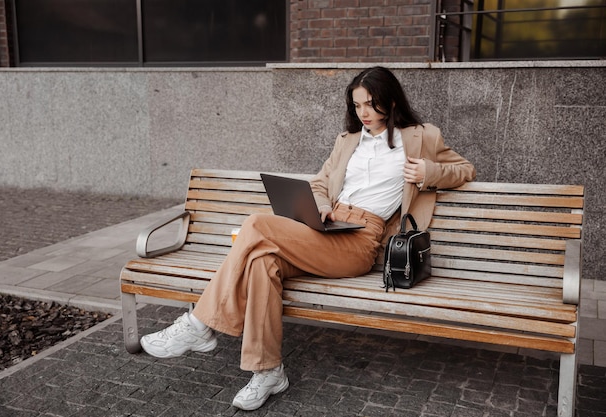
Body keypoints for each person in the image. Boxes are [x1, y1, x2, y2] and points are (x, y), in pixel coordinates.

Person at [139, 66, 476, 410]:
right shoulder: (348, 141)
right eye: (357, 105)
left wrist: (428, 172)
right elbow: (319, 183)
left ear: (390, 102)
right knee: (261, 262)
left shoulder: (421, 136)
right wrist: (323, 206)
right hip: (329, 228)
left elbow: (465, 169)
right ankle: (268, 371)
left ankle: (199, 324)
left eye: (371, 104)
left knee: (256, 224)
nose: (363, 113)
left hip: (361, 241)